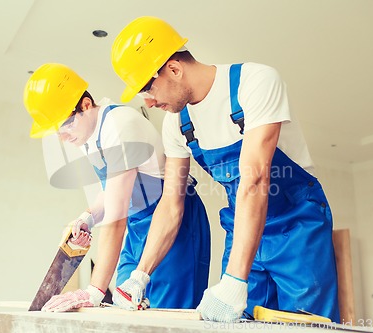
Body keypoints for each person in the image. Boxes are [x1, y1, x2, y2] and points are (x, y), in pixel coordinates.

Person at [110, 16, 340, 323]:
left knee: (305, 324)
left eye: (146, 88)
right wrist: (141, 273)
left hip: (297, 228)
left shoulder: (254, 82)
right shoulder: (177, 124)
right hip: (241, 226)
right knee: (235, 323)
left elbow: (255, 178)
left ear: (174, 69)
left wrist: (234, 280)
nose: (148, 102)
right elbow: (171, 203)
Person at [22, 63, 211, 312]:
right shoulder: (89, 138)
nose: (63, 137)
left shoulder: (118, 126)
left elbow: (115, 216)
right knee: (126, 311)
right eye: (56, 131)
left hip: (175, 224)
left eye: (65, 125)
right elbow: (113, 192)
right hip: (137, 227)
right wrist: (87, 218)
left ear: (86, 106)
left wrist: (94, 291)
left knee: (168, 319)